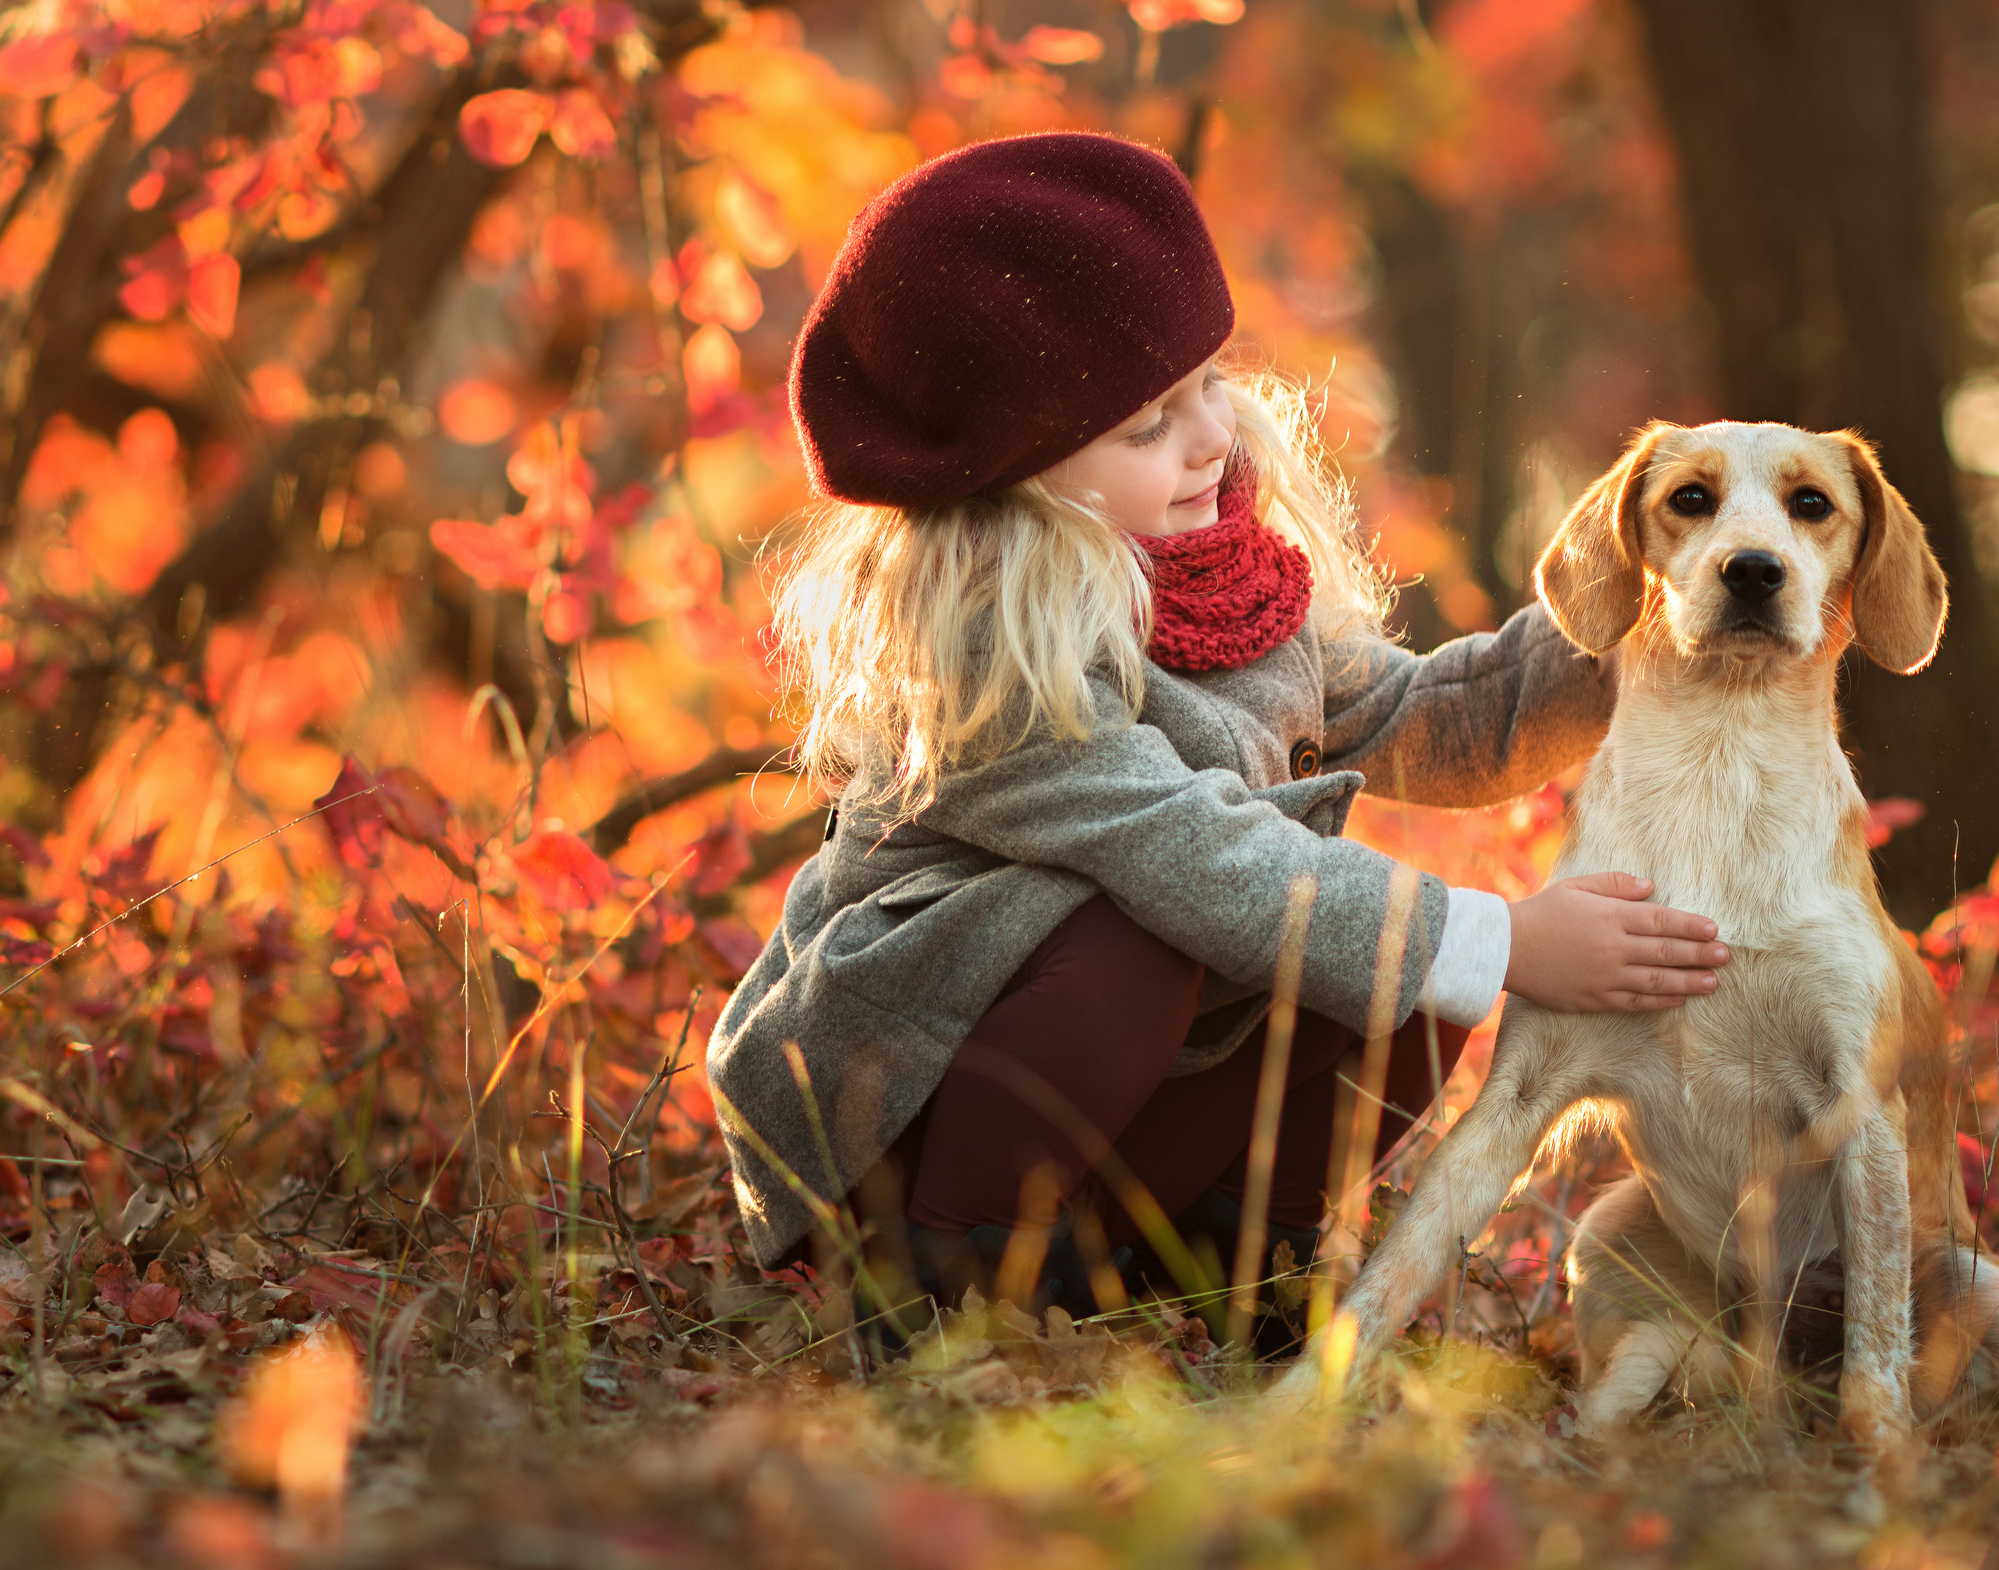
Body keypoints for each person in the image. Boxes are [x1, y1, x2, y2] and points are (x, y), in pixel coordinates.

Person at [706, 132, 1726, 1338]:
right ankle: (942, 1291)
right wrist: (1504, 935)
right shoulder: (994, 647)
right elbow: (1195, 853)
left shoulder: (1219, 581)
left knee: (1410, 980)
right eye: (1146, 425)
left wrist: (1646, 614)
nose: (1207, 439)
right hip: (909, 1109)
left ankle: (1227, 1259)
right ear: (1012, 477)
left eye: (1207, 385)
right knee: (1187, 932)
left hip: (1107, 1097)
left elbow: (1424, 715)